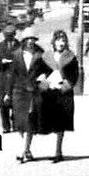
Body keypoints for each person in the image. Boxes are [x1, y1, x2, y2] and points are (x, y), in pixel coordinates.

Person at [37, 29, 80, 160]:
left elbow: (74, 76)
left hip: (63, 94)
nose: (60, 43)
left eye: (63, 41)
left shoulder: (71, 57)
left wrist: (65, 86)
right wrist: (43, 82)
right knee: (48, 121)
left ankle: (58, 151)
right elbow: (40, 72)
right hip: (49, 93)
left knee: (61, 123)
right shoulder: (46, 56)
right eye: (58, 40)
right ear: (53, 42)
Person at [9, 26, 44, 163]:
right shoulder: (16, 55)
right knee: (19, 121)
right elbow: (11, 75)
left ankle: (22, 150)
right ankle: (26, 149)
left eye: (32, 39)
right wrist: (7, 93)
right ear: (23, 40)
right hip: (18, 91)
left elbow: (47, 71)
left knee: (29, 121)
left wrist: (42, 80)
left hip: (33, 91)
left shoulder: (40, 54)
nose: (30, 41)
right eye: (27, 39)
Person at [0, 24, 18, 133]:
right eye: (7, 35)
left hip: (16, 76)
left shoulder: (19, 46)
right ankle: (6, 126)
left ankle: (16, 124)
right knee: (3, 105)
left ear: (14, 35)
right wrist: (2, 61)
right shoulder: (0, 46)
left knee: (16, 102)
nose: (9, 37)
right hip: (3, 76)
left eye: (11, 35)